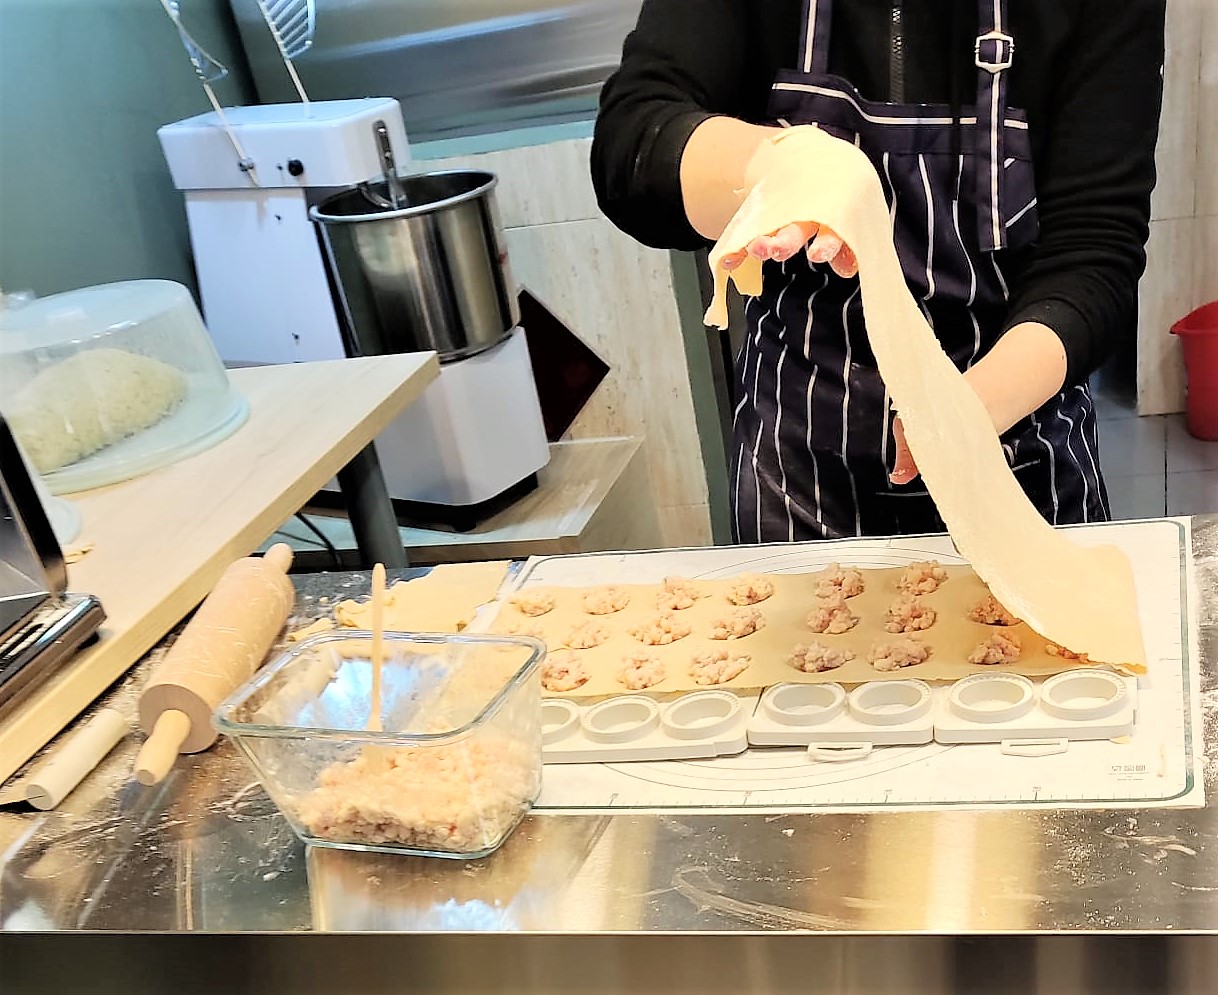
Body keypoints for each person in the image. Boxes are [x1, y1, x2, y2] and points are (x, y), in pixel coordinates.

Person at [591, 0, 1165, 542]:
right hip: (797, 464)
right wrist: (773, 165)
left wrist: (962, 413)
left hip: (1023, 441)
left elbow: (1094, 244)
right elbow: (633, 141)